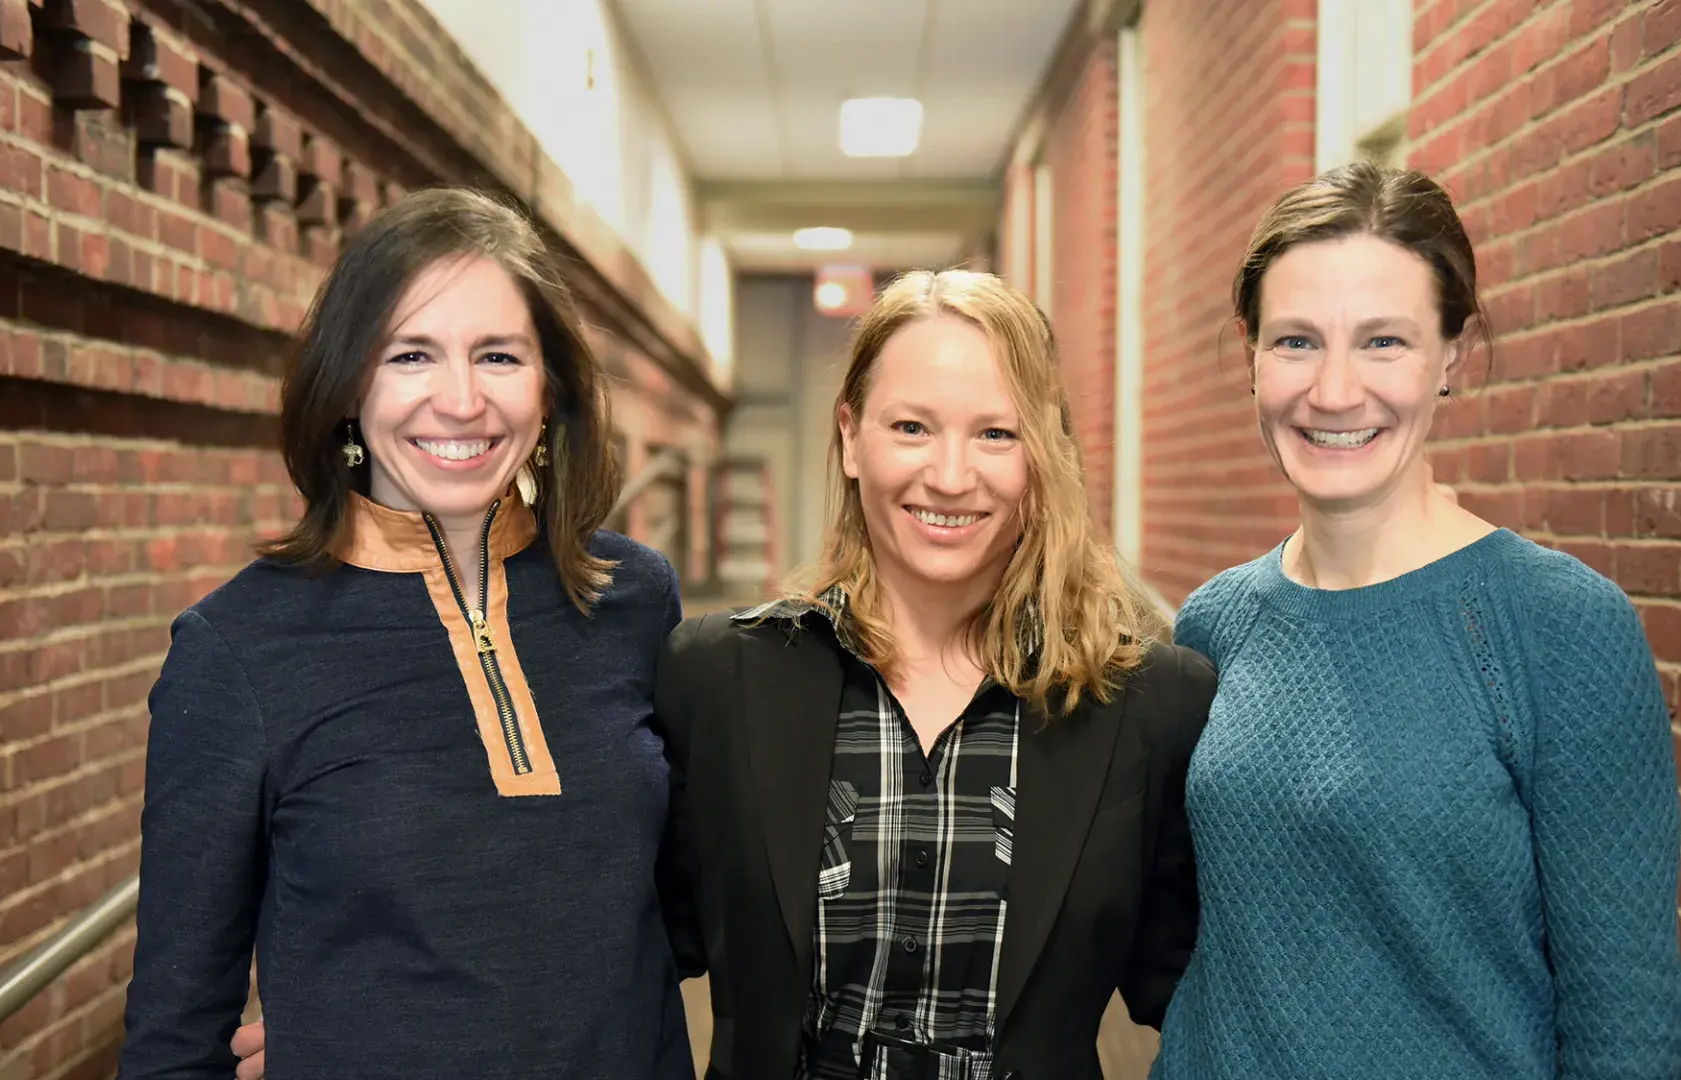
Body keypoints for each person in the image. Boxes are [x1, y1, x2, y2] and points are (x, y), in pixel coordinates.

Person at [117, 187, 694, 1080]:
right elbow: (175, 1034)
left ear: (551, 388)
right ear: (349, 383)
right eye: (411, 355)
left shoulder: (633, 599)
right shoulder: (237, 649)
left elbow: (666, 917)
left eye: (499, 355)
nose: (460, 400)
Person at [1151, 163, 1681, 1079]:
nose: (1332, 390)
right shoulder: (1216, 624)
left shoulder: (1558, 627)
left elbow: (1627, 1032)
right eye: (1294, 342)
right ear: (1250, 354)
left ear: (1455, 356)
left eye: (1384, 342)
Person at [656, 269, 1217, 1079]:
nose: (952, 477)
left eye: (997, 433)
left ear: (1044, 452)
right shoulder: (714, 681)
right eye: (912, 427)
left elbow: (1203, 996)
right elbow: (627, 964)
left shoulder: (1151, 704)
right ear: (850, 437)